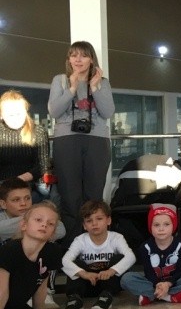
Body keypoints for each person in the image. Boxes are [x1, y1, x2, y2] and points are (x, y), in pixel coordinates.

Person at [48, 41, 115, 244]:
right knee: (70, 195)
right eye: (74, 55)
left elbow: (107, 112)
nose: (78, 59)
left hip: (97, 141)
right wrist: (72, 88)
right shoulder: (60, 80)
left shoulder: (102, 82)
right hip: (66, 141)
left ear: (91, 59)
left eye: (83, 55)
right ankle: (72, 245)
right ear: (68, 59)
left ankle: (94, 244)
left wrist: (94, 87)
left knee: (94, 194)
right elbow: (54, 111)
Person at [0, 201, 62, 309]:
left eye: (50, 223)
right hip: (2, 304)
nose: (44, 225)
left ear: (53, 232)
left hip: (14, 306)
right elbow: (2, 293)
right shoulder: (10, 251)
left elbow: (41, 285)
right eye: (38, 220)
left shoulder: (52, 252)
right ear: (24, 225)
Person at [60, 200, 135, 309]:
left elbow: (131, 257)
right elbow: (64, 261)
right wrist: (84, 274)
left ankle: (106, 297)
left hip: (108, 284)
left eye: (99, 219)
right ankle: (75, 299)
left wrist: (111, 271)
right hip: (89, 283)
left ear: (108, 220)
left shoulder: (116, 238)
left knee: (119, 258)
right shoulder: (80, 240)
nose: (94, 223)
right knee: (77, 263)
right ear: (84, 225)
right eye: (89, 221)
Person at [120, 203, 181, 305]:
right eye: (156, 225)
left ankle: (152, 296)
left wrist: (168, 284)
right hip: (153, 284)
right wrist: (158, 285)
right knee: (126, 278)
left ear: (173, 226)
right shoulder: (145, 247)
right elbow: (149, 273)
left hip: (174, 282)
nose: (161, 229)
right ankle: (169, 296)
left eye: (166, 224)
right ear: (151, 227)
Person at [0, 90, 51, 202]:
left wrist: (18, 180)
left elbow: (42, 165)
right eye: (11, 115)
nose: (15, 118)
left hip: (32, 185)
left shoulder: (38, 131)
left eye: (19, 113)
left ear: (26, 112)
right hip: (3, 185)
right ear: (1, 116)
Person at [1, 177, 65, 244]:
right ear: (3, 204)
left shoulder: (38, 211)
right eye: (16, 200)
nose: (23, 203)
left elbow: (61, 230)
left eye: (27, 198)